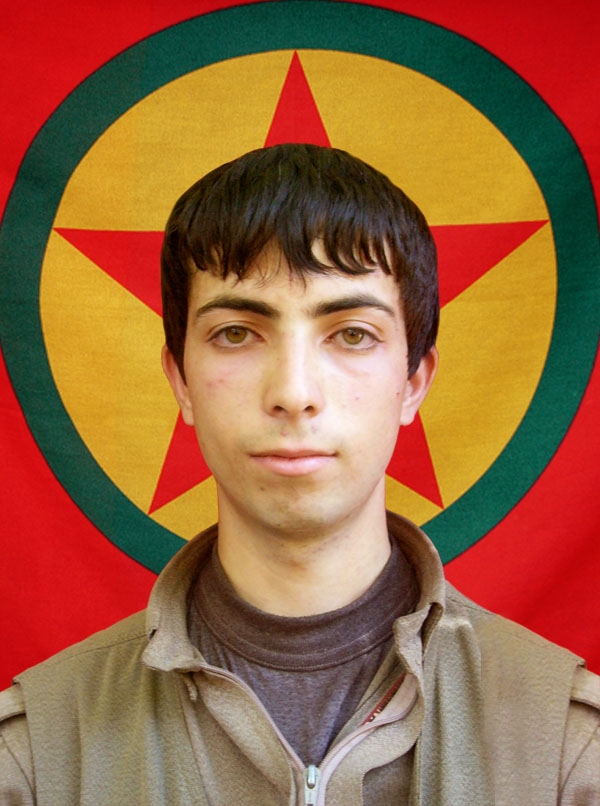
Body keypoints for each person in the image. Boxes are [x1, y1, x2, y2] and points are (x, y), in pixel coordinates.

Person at [0, 144, 598, 804]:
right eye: (236, 333)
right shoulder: (35, 759)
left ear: (413, 382)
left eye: (351, 334)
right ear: (182, 380)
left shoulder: (571, 753)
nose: (293, 392)